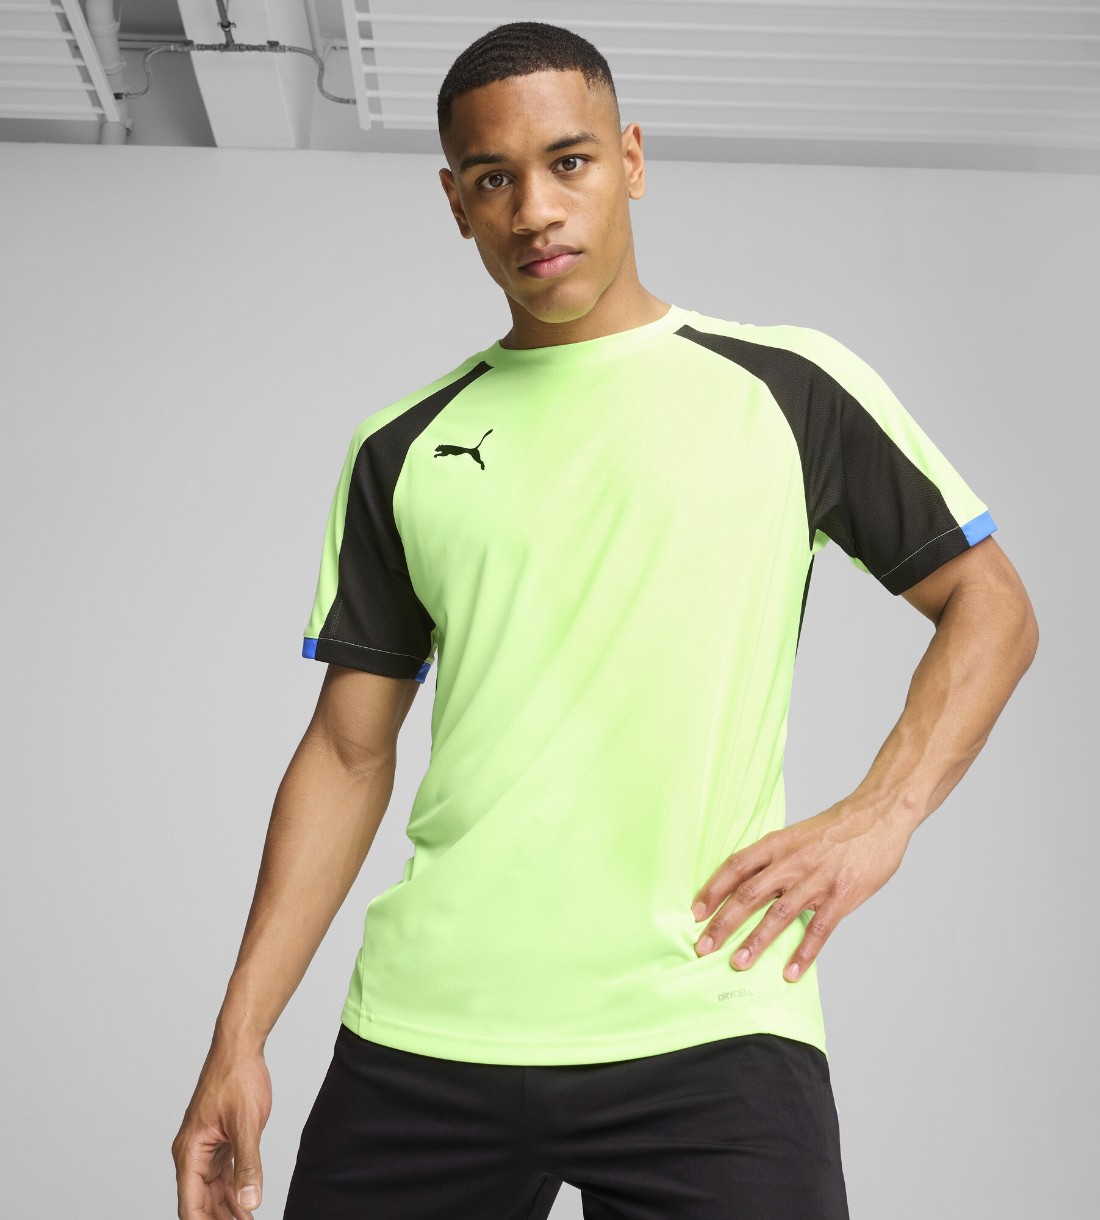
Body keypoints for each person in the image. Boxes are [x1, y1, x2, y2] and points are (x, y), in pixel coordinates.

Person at [172, 20, 1038, 1220]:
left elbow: (990, 605)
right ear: (455, 201)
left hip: (709, 1021)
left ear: (629, 158)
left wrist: (878, 814)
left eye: (567, 161)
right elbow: (345, 749)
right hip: (430, 1032)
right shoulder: (402, 446)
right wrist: (239, 1035)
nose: (534, 210)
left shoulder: (786, 386)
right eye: (493, 179)